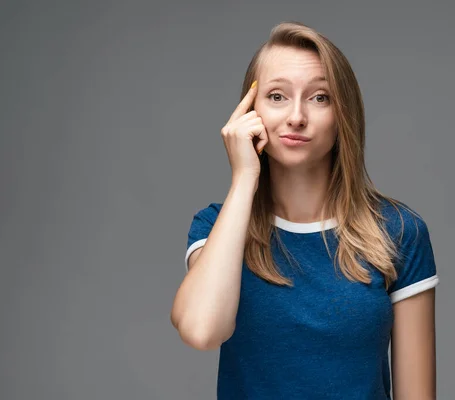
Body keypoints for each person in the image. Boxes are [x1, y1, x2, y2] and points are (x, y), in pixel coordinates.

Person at [171, 21, 439, 400]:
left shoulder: (398, 231)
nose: (296, 116)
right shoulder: (216, 226)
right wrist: (245, 177)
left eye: (319, 98)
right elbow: (201, 331)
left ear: (343, 114)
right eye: (277, 96)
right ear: (249, 110)